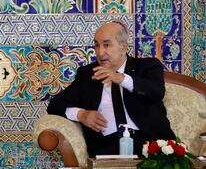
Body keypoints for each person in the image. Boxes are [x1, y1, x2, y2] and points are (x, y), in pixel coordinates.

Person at [47, 21, 175, 157]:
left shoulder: (147, 66)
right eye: (97, 45)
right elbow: (55, 105)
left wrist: (120, 78)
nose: (100, 52)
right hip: (106, 147)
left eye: (107, 45)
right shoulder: (88, 74)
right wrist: (81, 115)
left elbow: (156, 91)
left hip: (150, 143)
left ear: (123, 47)